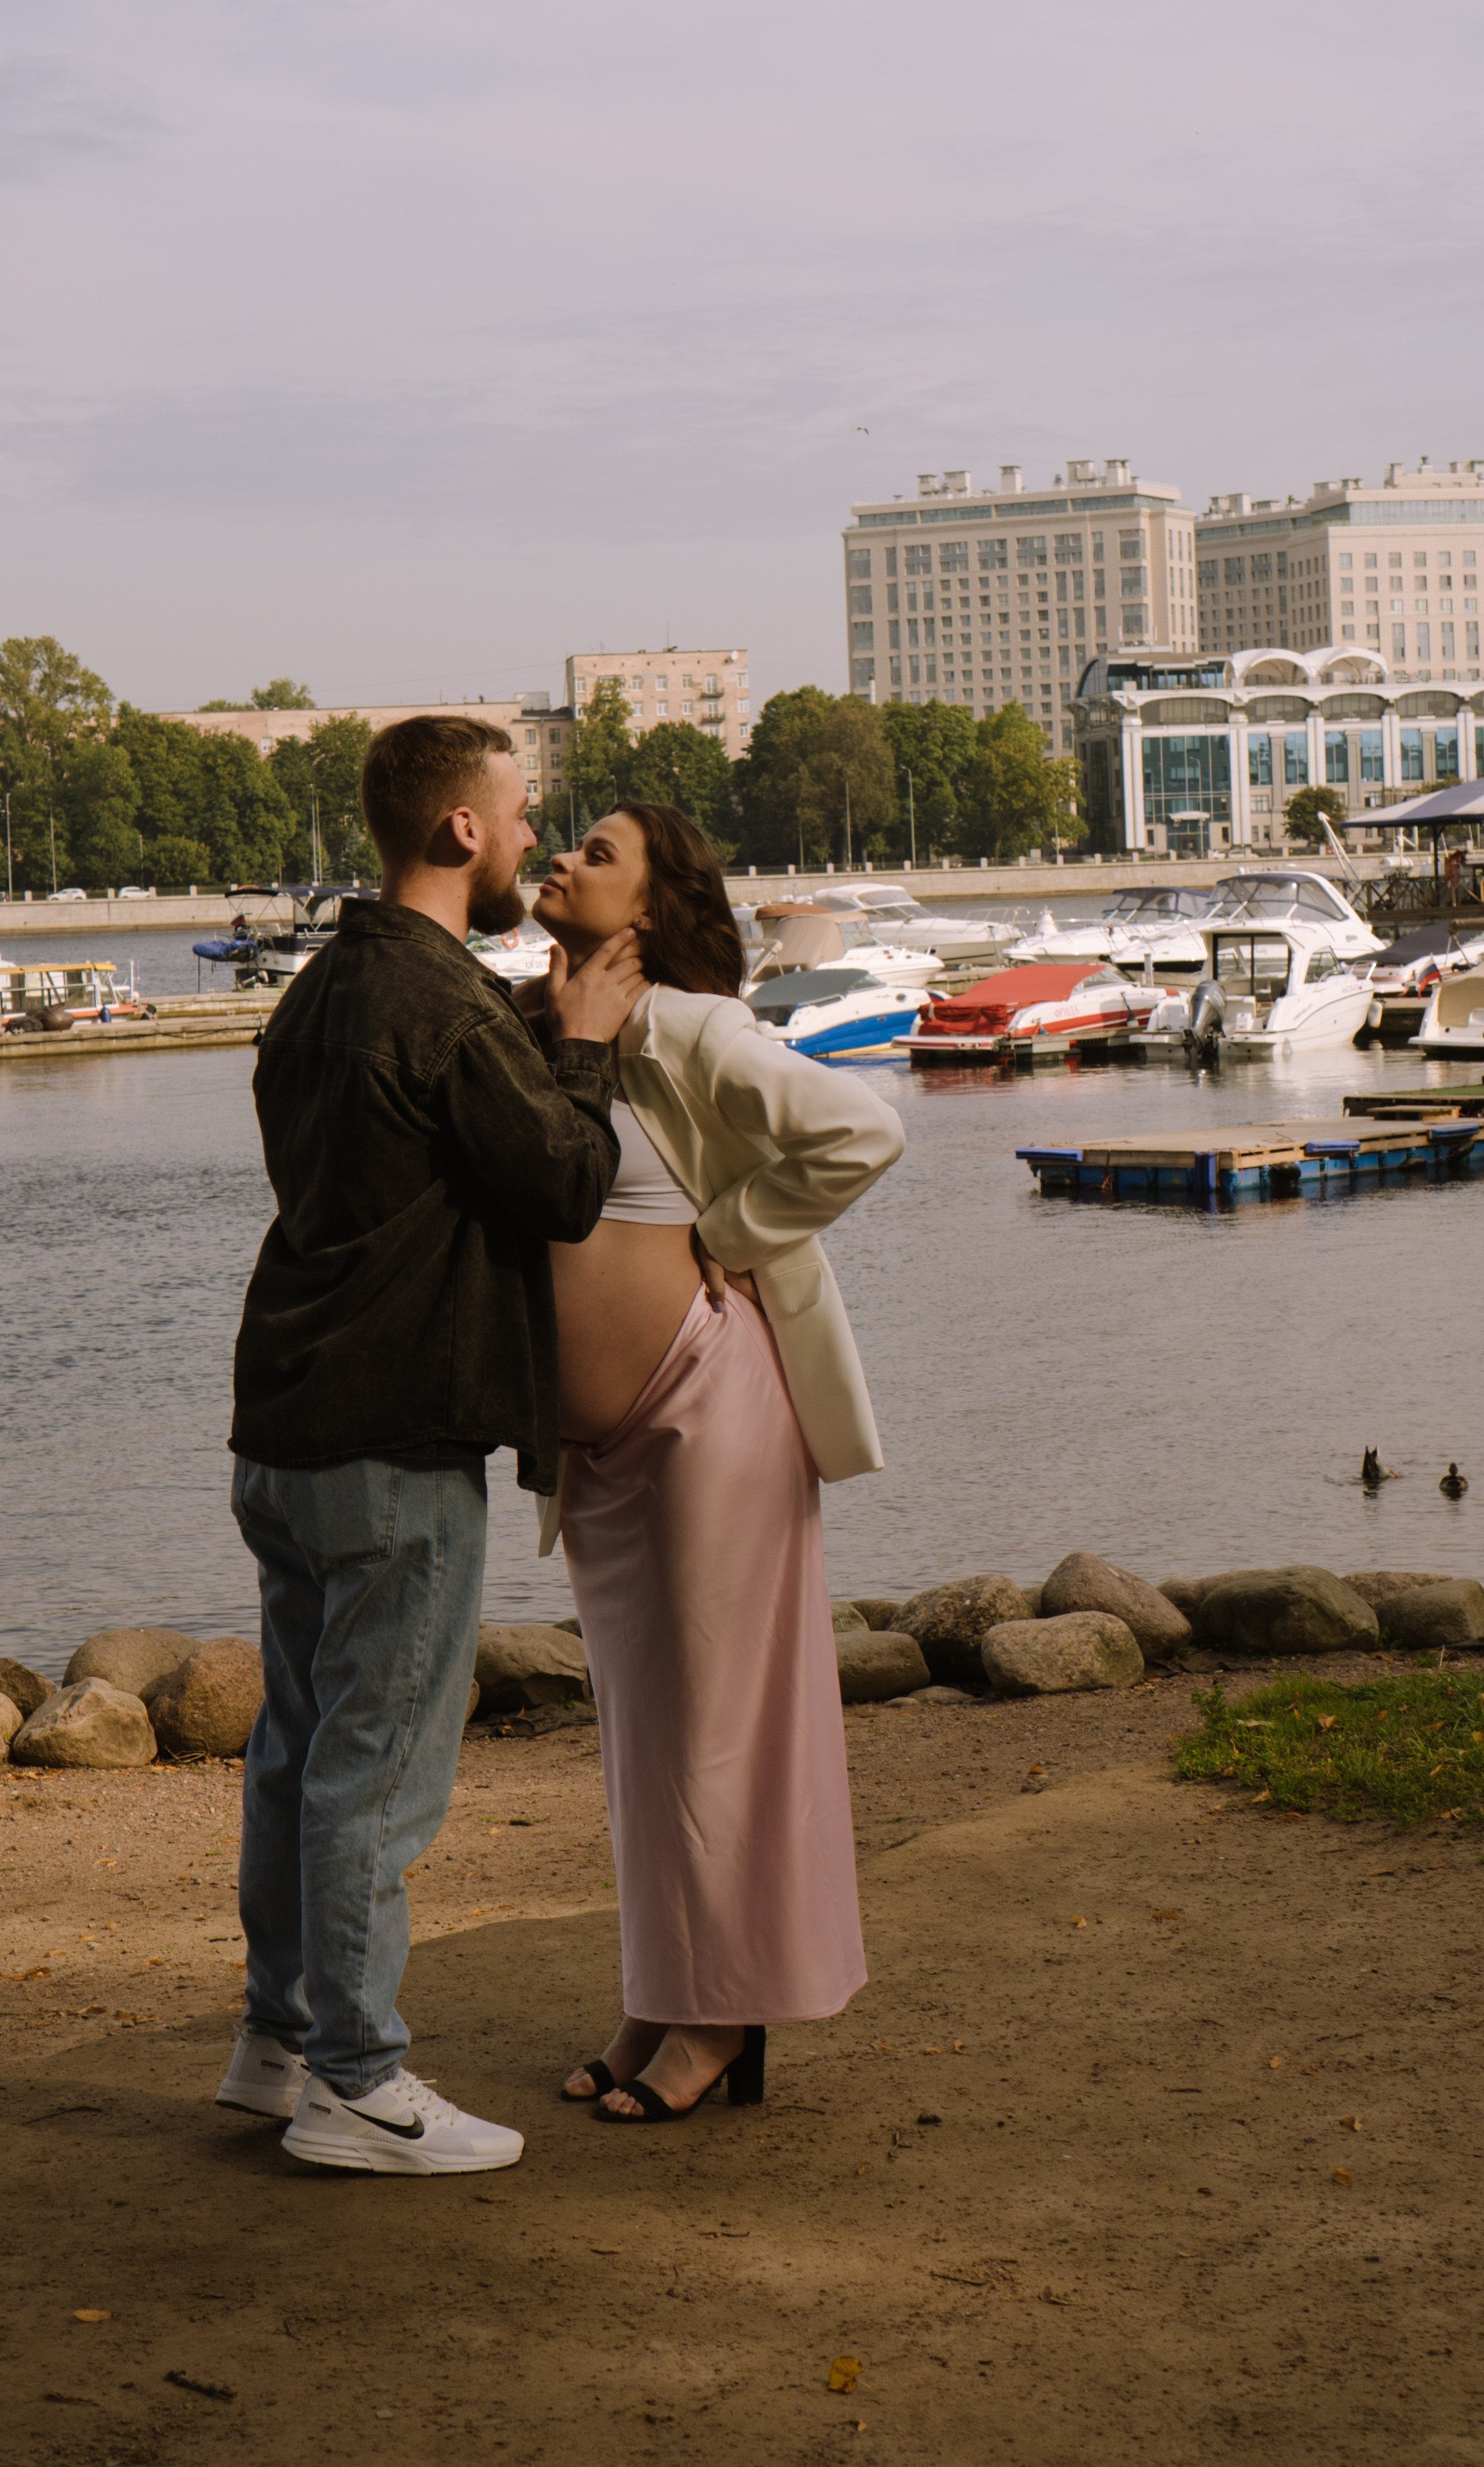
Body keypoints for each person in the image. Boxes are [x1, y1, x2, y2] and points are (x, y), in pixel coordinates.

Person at [219, 714, 645, 2175]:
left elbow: (373, 1169)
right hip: (395, 1435)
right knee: (376, 1772)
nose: (534, 836)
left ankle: (278, 2044)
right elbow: (567, 1184)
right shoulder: (448, 1007)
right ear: (462, 830)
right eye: (523, 813)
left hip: (284, 1422)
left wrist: (525, 1038)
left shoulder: (323, 989)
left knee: (296, 1749)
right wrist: (582, 1045)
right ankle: (355, 2082)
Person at [530, 803, 905, 2125]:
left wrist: (731, 1232)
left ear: (649, 910)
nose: (562, 860)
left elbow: (862, 1130)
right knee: (646, 1732)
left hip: (710, 1409)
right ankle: (663, 1993)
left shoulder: (691, 1025)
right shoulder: (560, 1031)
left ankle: (726, 2018)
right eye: (565, 843)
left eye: (597, 854)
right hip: (612, 1453)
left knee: (720, 1731)